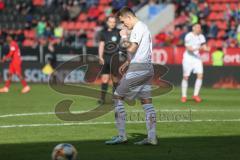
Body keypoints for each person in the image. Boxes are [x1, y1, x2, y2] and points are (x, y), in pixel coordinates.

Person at [105, 7, 157, 145]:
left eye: (123, 21)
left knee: (117, 97)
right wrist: (128, 61)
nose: (124, 25)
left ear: (128, 17)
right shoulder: (143, 27)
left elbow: (131, 48)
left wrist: (123, 36)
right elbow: (140, 50)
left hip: (138, 68)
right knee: (147, 102)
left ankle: (122, 136)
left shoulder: (138, 28)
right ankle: (152, 138)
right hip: (147, 68)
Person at [181, 23, 210, 103]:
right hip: (188, 58)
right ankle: (184, 96)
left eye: (200, 27)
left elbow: (204, 46)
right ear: (193, 28)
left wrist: (207, 49)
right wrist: (199, 48)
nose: (199, 28)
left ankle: (195, 95)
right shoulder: (188, 36)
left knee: (200, 75)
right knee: (186, 77)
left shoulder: (201, 36)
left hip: (197, 58)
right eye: (197, 27)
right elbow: (189, 49)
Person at [98, 16, 122, 104]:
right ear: (107, 22)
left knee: (115, 78)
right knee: (104, 78)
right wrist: (100, 56)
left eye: (114, 22)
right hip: (105, 57)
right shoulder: (103, 33)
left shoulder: (119, 32)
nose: (112, 23)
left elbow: (127, 34)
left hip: (115, 57)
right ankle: (102, 99)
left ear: (115, 23)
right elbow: (101, 45)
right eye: (110, 22)